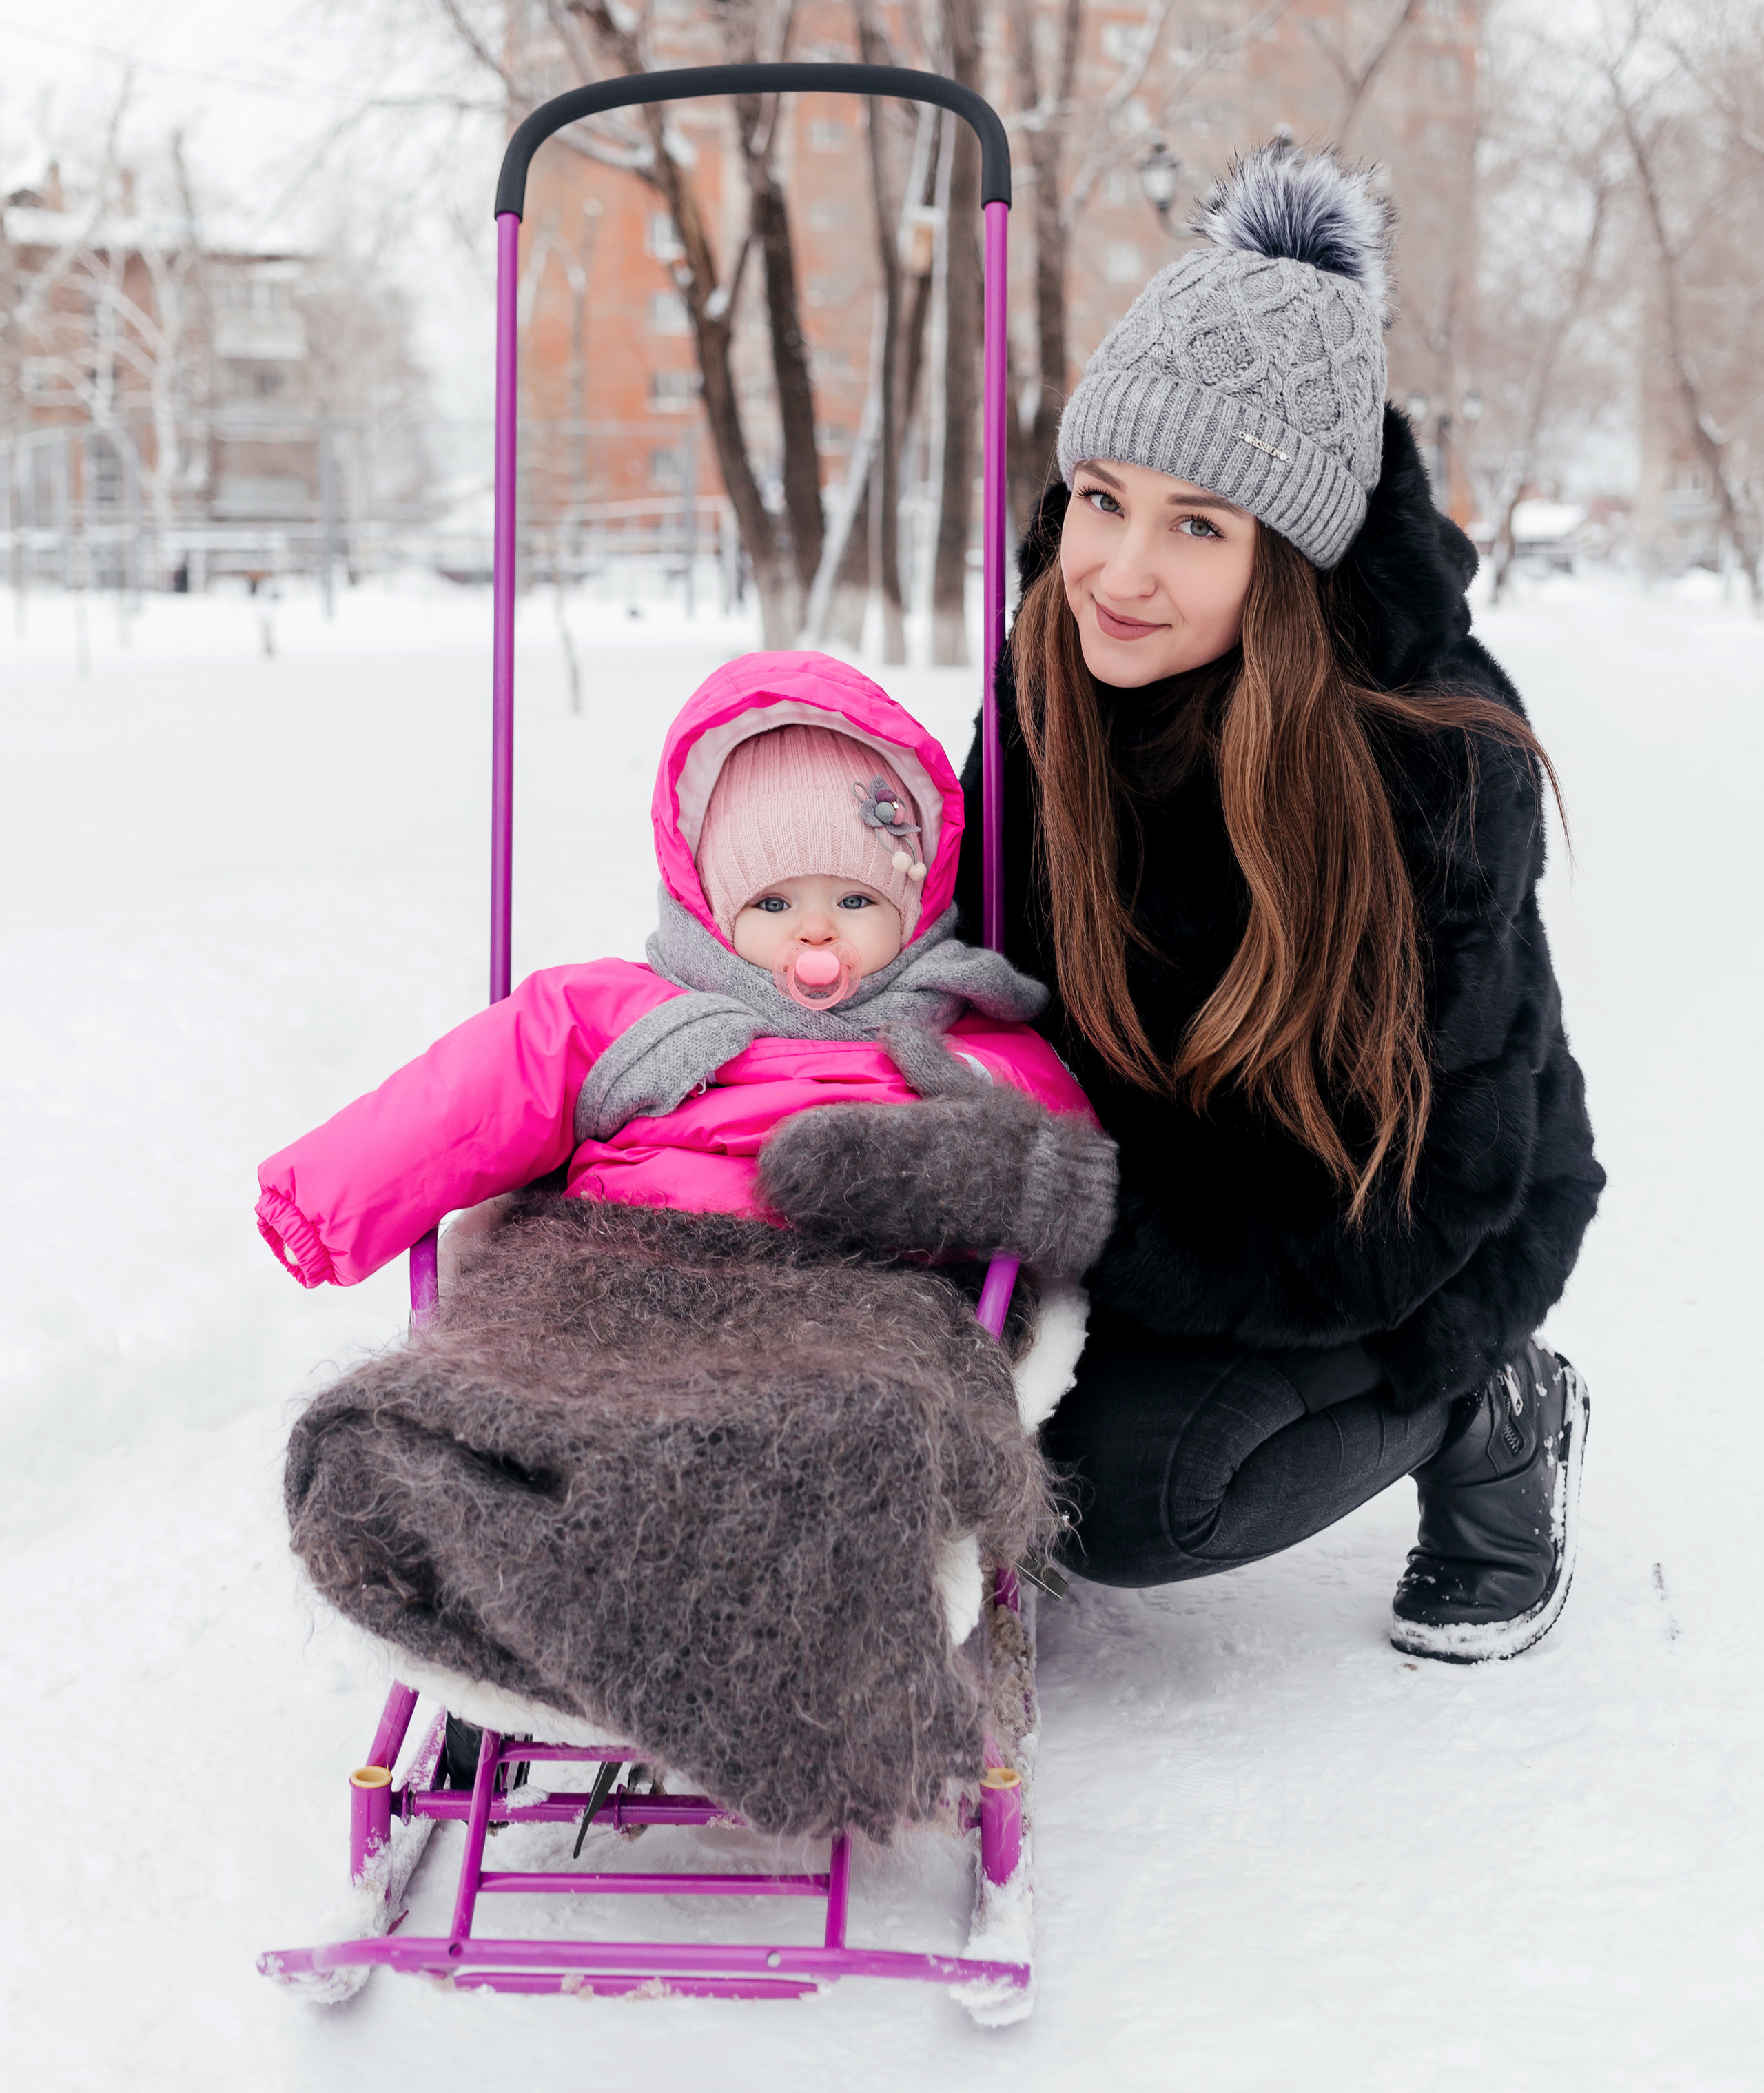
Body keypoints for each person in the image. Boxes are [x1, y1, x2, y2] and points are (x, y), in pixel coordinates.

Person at [930, 138, 1603, 1665]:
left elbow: (1405, 1197)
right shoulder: (1055, 679)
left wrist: (1077, 1210)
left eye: (1193, 525)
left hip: (1387, 1227)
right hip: (1152, 1197)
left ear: (1286, 558)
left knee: (1121, 1503)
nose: (1114, 570)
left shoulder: (1424, 770)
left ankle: (1487, 1404)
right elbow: (983, 964)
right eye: (1098, 498)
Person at [256, 648, 1116, 1304]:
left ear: (916, 901)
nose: (814, 930)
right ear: (709, 907)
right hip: (622, 1263)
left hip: (859, 1294)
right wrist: (323, 1206)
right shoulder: (620, 1010)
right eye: (773, 906)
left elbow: (1052, 1157)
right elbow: (468, 1099)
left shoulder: (965, 1029)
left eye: (854, 901)